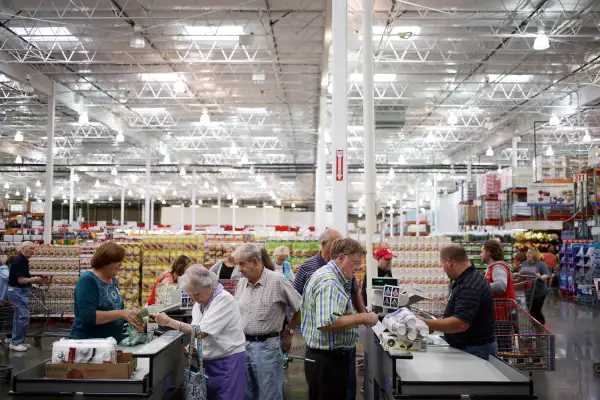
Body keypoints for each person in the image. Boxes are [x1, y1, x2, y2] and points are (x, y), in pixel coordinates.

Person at [301, 238, 378, 400]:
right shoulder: (329, 283)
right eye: (355, 262)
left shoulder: (335, 278)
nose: (358, 268)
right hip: (327, 361)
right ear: (341, 258)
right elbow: (327, 323)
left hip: (330, 359)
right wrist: (362, 317)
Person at [154, 266, 246, 400]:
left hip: (228, 361)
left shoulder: (223, 300)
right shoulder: (200, 303)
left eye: (196, 294)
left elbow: (201, 331)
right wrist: (194, 344)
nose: (194, 299)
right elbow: (197, 328)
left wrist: (169, 322)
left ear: (209, 287)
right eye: (191, 295)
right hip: (209, 362)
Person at [233, 243, 301, 400]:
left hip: (267, 348)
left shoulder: (277, 281)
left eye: (242, 264)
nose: (239, 269)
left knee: (269, 394)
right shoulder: (242, 283)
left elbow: (299, 306)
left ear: (255, 262)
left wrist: (289, 332)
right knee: (246, 394)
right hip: (243, 346)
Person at [418, 244, 497, 361]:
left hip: (475, 351)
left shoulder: (470, 285)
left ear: (449, 262)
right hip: (473, 348)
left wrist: (427, 322)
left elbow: (460, 324)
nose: (443, 269)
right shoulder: (468, 279)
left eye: (442, 264)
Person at [70, 242, 142, 342]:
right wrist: (121, 313)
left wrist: (130, 316)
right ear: (106, 262)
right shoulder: (88, 280)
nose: (121, 264)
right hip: (89, 344)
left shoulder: (112, 280)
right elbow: (88, 316)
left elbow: (114, 309)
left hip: (110, 342)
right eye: (117, 261)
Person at [7, 242, 47, 351]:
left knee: (18, 317)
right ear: (23, 249)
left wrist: (33, 276)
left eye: (33, 249)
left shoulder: (21, 260)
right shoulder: (20, 261)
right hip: (17, 291)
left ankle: (16, 342)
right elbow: (21, 280)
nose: (32, 250)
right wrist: (35, 279)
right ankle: (16, 343)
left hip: (17, 290)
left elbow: (22, 276)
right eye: (30, 248)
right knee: (23, 317)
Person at [518, 247, 550, 325]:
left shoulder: (541, 264)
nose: (527, 254)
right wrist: (517, 275)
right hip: (528, 291)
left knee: (535, 310)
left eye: (530, 253)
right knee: (530, 311)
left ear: (535, 254)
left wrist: (541, 277)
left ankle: (541, 327)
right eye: (527, 253)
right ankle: (535, 326)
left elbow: (546, 274)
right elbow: (521, 273)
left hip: (539, 292)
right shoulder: (524, 263)